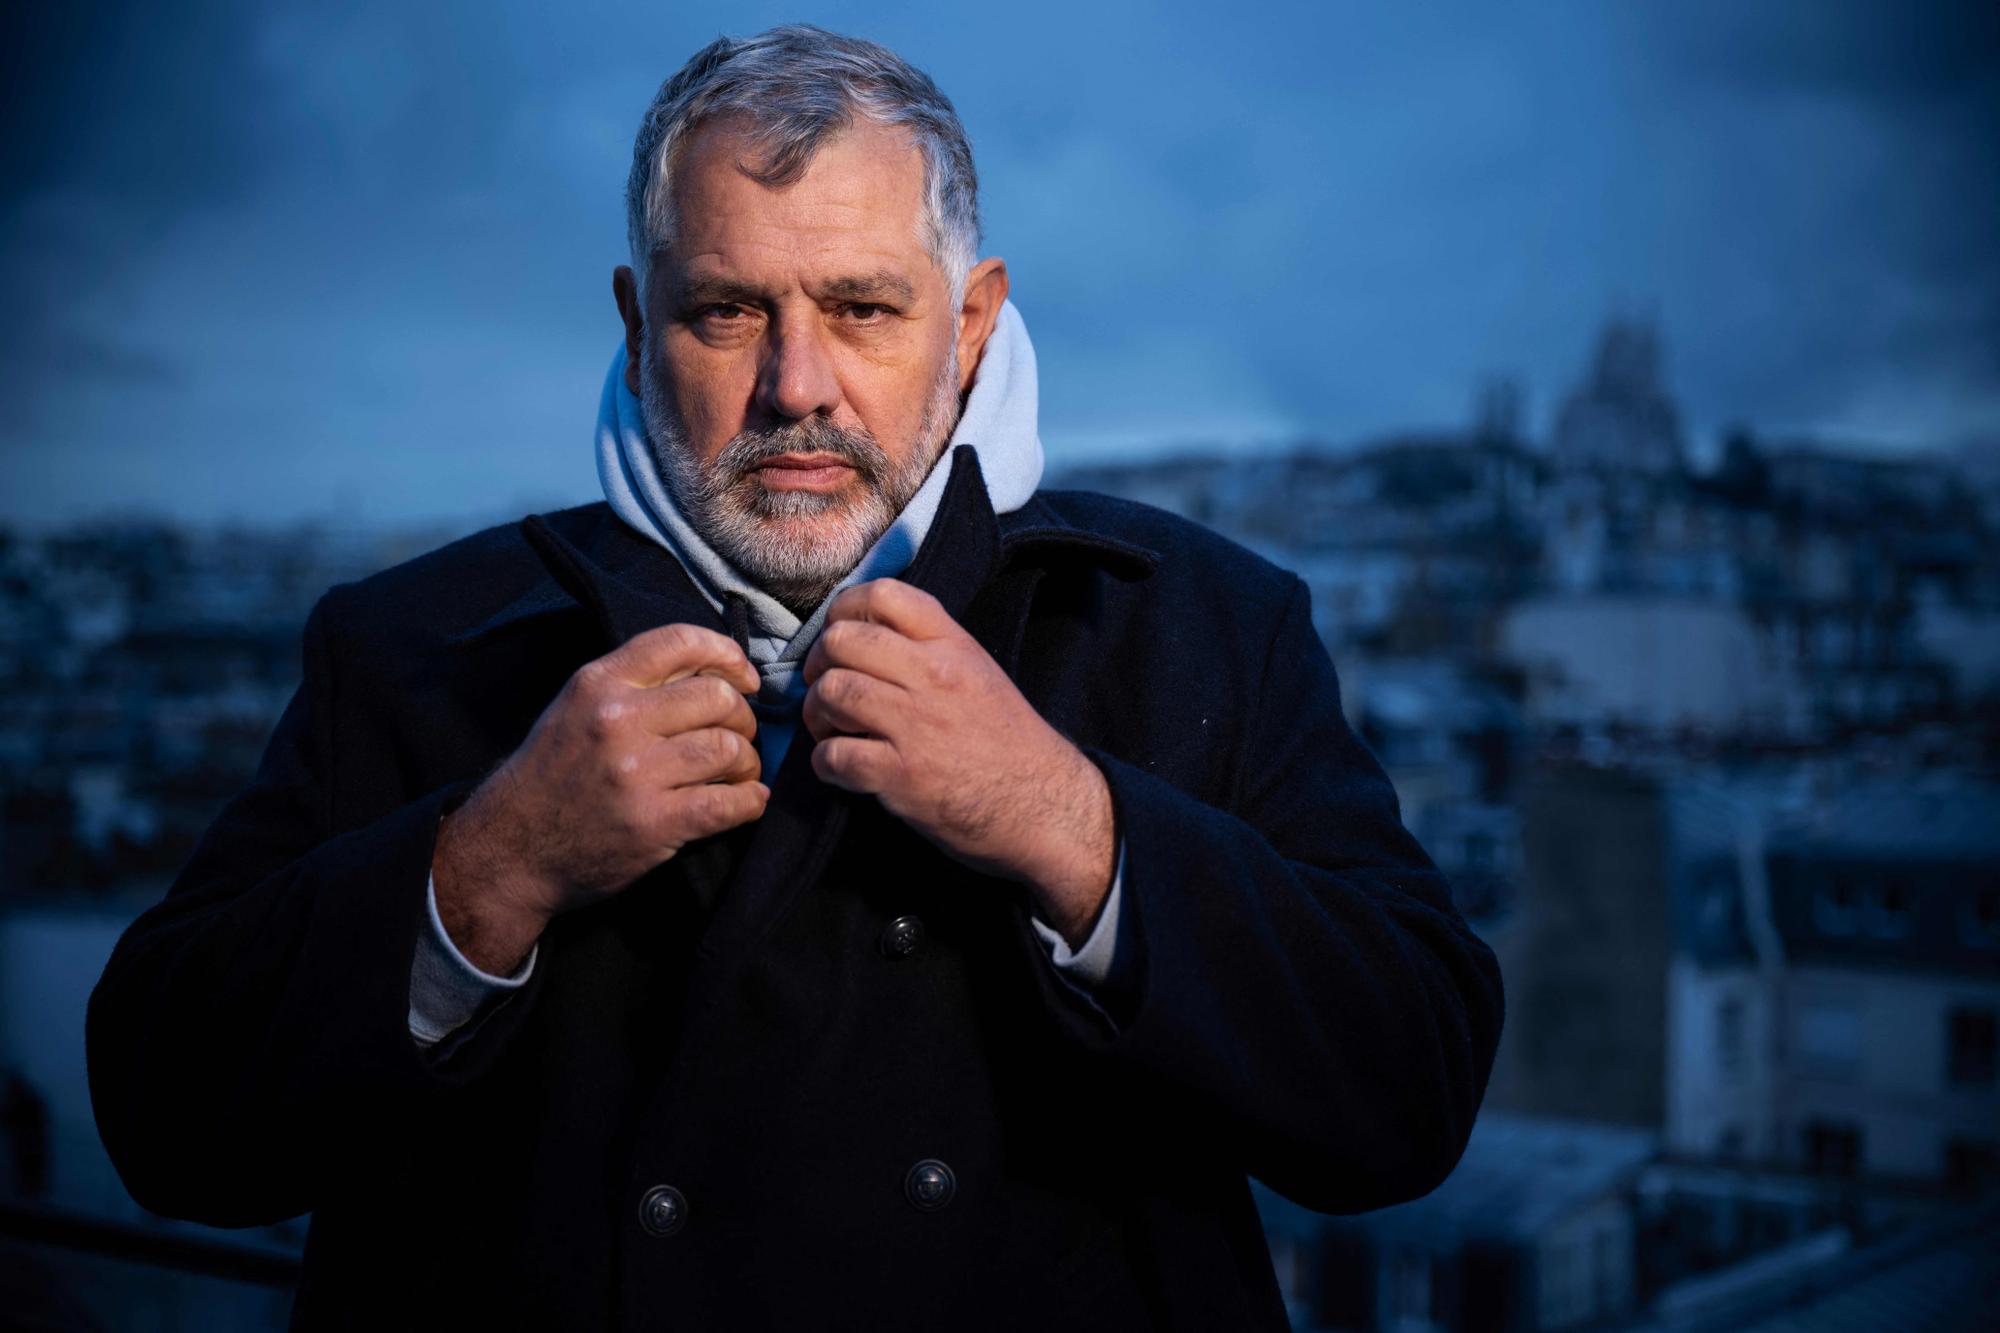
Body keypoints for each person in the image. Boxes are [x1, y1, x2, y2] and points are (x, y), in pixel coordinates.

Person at [85, 25, 1502, 1331]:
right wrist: (490, 868)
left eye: (865, 308)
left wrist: (1069, 820)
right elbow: (163, 1115)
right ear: (638, 323)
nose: (798, 384)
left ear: (975, 323)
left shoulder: (1200, 625)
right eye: (727, 313)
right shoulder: (409, 645)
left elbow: (1409, 1090)